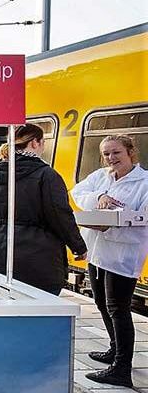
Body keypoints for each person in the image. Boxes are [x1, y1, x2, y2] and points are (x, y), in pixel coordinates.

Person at [71, 135, 148, 388]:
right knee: (102, 304)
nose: (111, 158)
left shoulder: (144, 182)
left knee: (118, 309)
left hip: (123, 256)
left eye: (116, 153)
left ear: (130, 152)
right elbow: (79, 192)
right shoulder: (101, 176)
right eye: (106, 154)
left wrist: (111, 224)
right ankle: (114, 350)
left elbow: (142, 220)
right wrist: (100, 197)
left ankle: (122, 368)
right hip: (97, 251)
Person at [0, 123, 87, 295]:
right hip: (37, 256)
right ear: (35, 143)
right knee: (36, 310)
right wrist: (78, 247)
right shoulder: (47, 175)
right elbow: (60, 215)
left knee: (0, 305)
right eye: (42, 142)